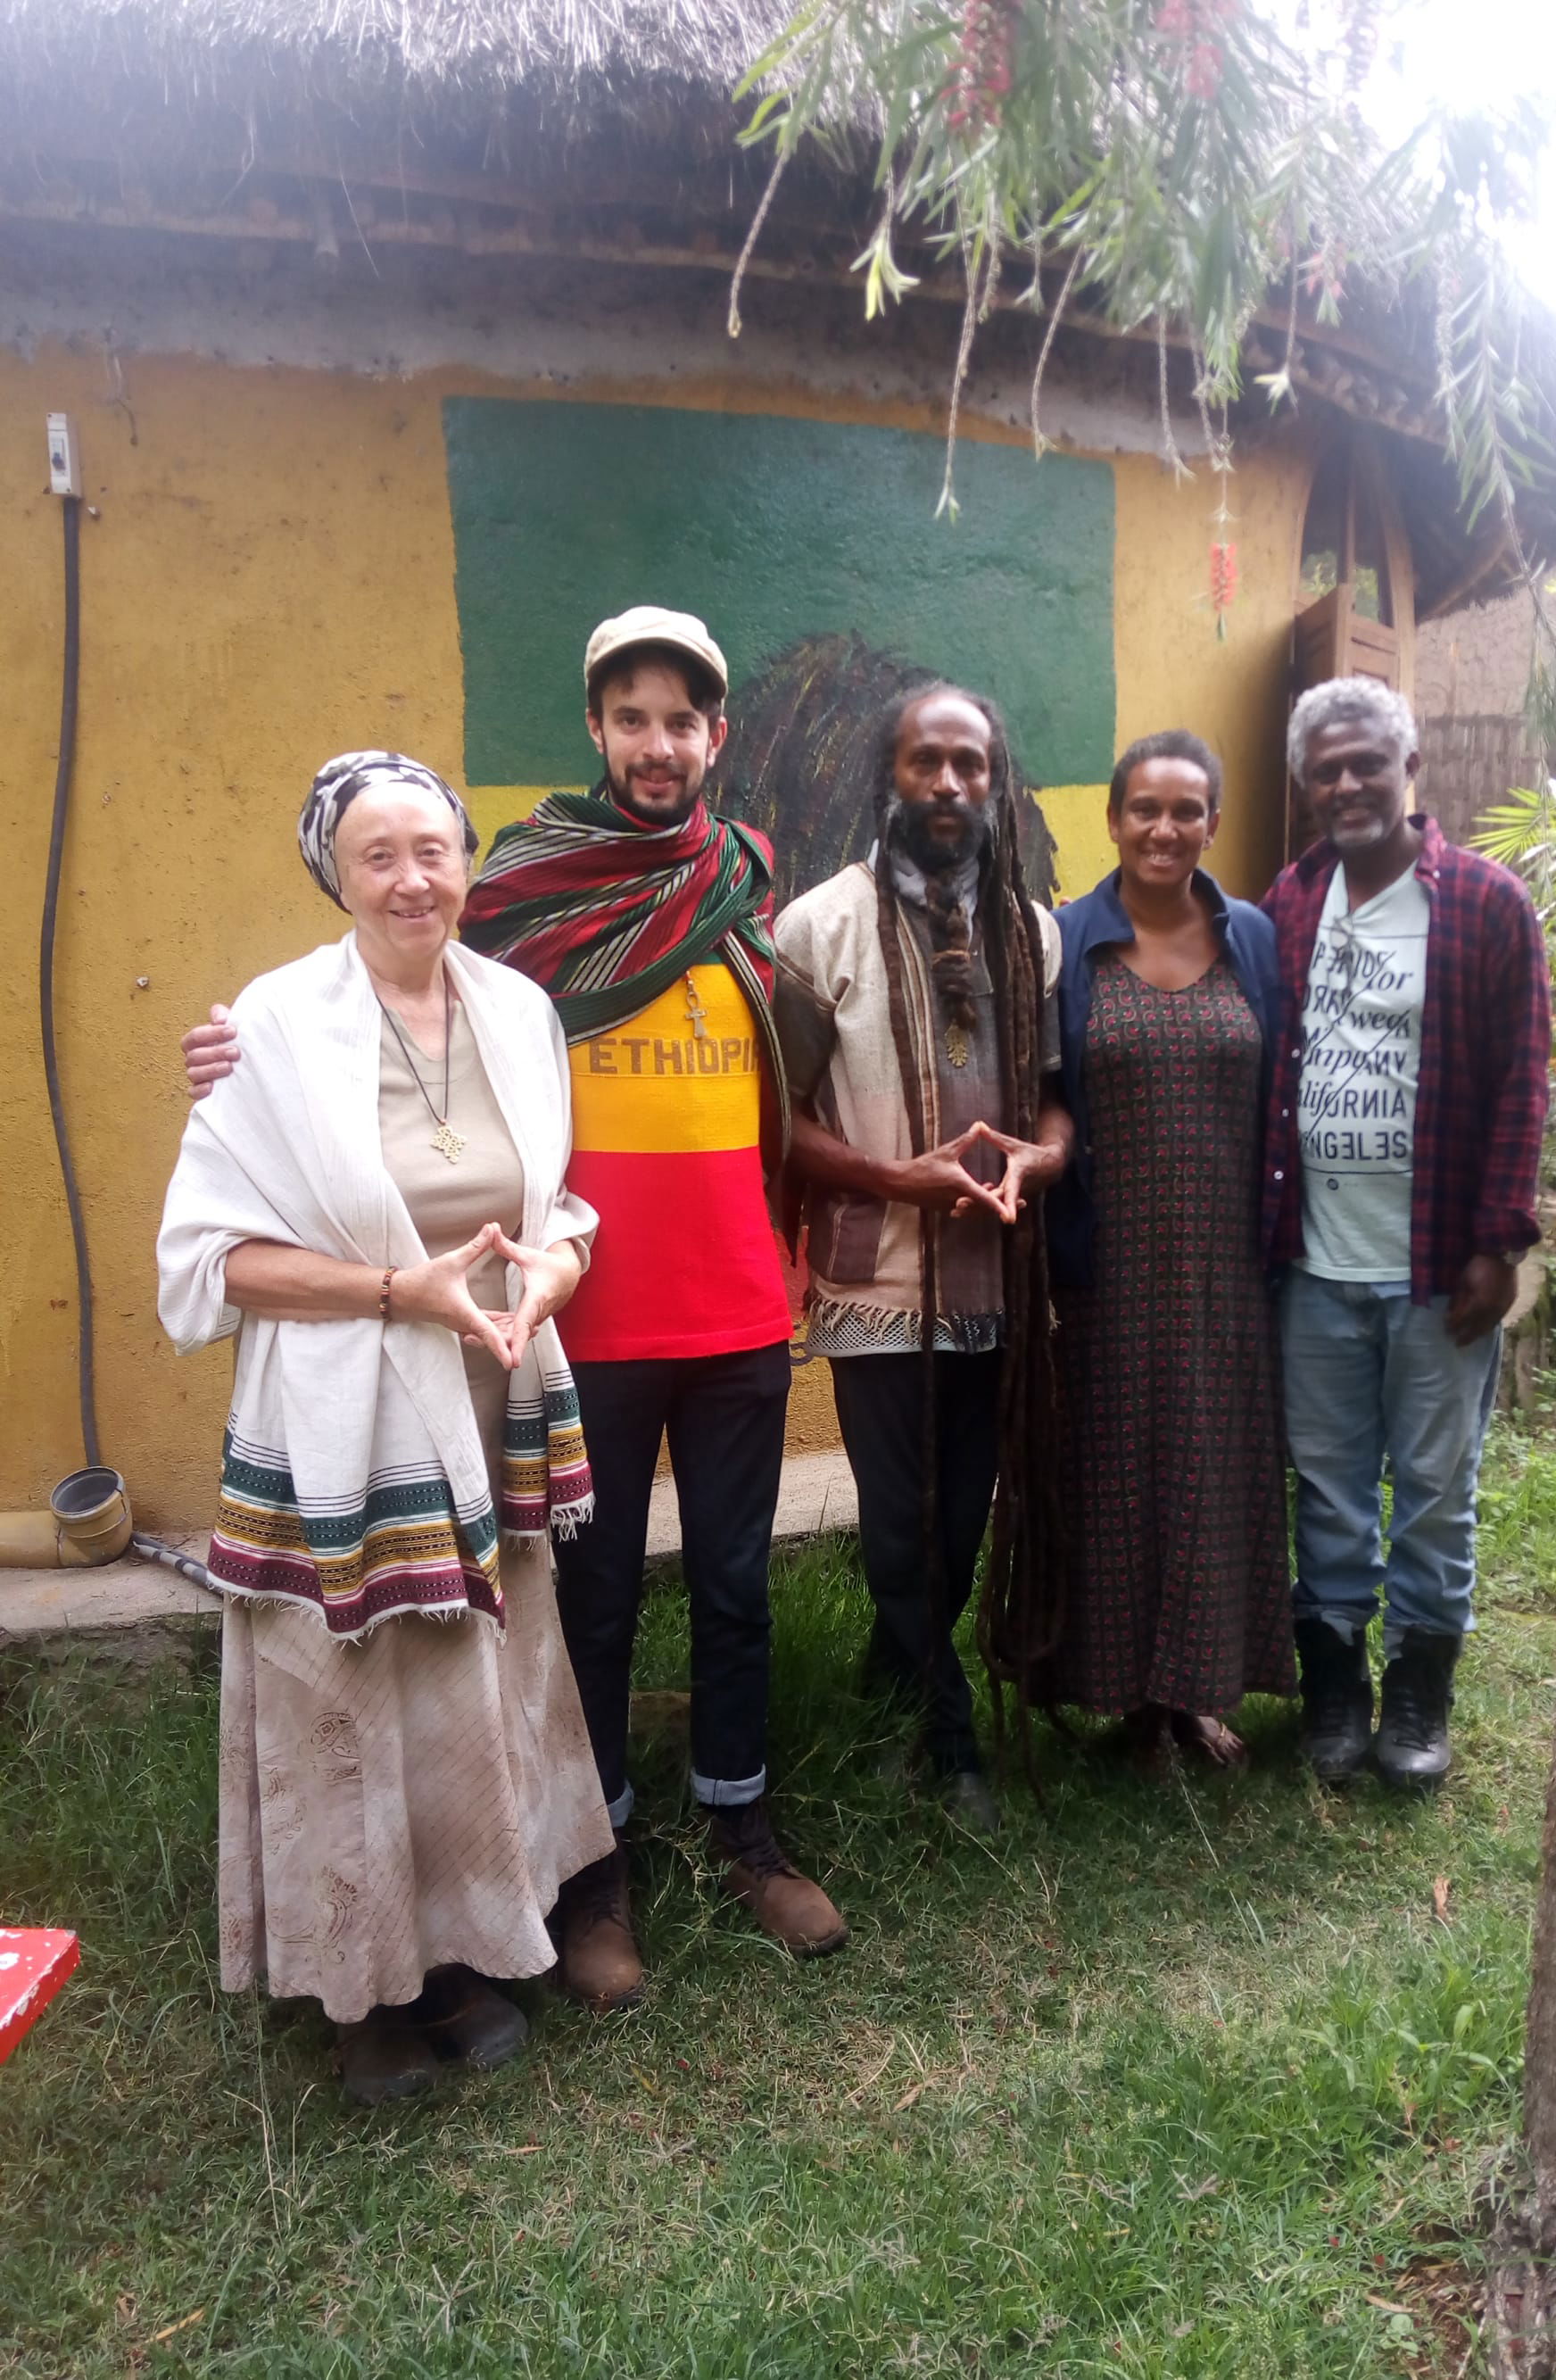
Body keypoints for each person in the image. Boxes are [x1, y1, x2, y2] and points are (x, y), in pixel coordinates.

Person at [181, 609, 848, 2011]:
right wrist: (240, 1051)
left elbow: (792, 1069)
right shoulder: (530, 892)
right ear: (595, 730)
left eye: (684, 718)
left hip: (733, 1305)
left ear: (713, 738)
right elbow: (372, 1006)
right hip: (580, 1319)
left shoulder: (743, 887)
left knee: (736, 1585)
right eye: (631, 716)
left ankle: (745, 1827)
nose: (658, 742)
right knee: (584, 1607)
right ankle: (594, 1868)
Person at [158, 752, 611, 2105]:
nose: (414, 876)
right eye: (379, 854)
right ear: (334, 873)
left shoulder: (519, 1007)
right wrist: (391, 1289)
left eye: (436, 847)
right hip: (342, 1420)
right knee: (346, 1694)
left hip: (487, 1400)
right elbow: (207, 1260)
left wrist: (552, 1270)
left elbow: (555, 1204)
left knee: (473, 1689)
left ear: (469, 860)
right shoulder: (274, 1027)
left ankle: (462, 1953)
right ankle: (359, 1990)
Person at [773, 684, 1072, 1832]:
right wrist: (897, 1177)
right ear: (887, 777)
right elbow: (780, 1116)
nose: (946, 785)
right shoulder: (818, 926)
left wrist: (1039, 1165)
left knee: (959, 1520)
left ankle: (895, 1672)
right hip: (878, 1281)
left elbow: (1052, 1107)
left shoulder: (1030, 932)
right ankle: (949, 1744)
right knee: (899, 1519)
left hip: (998, 1280)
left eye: (968, 765)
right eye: (923, 763)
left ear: (993, 783)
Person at [1262, 678, 1551, 1791]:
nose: (1346, 783)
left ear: (1407, 767)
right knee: (1328, 1488)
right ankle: (1334, 1689)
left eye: (1365, 763)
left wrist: (1498, 1242)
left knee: (1434, 1488)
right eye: (1326, 768)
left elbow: (1522, 1084)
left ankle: (1419, 1695)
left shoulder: (1483, 904)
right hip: (1314, 1264)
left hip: (1435, 1268)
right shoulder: (1287, 903)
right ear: (1305, 783)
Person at [1047, 732, 1296, 1771]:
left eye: (1185, 810)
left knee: (1210, 1468)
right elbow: (1048, 1092)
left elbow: (1277, 1089)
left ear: (1212, 823)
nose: (1163, 828)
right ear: (1111, 820)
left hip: (1228, 1269)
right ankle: (1122, 1698)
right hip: (1108, 1268)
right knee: (1111, 1473)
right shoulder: (1068, 944)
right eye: (1143, 808)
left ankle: (1194, 1695)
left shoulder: (1253, 941)